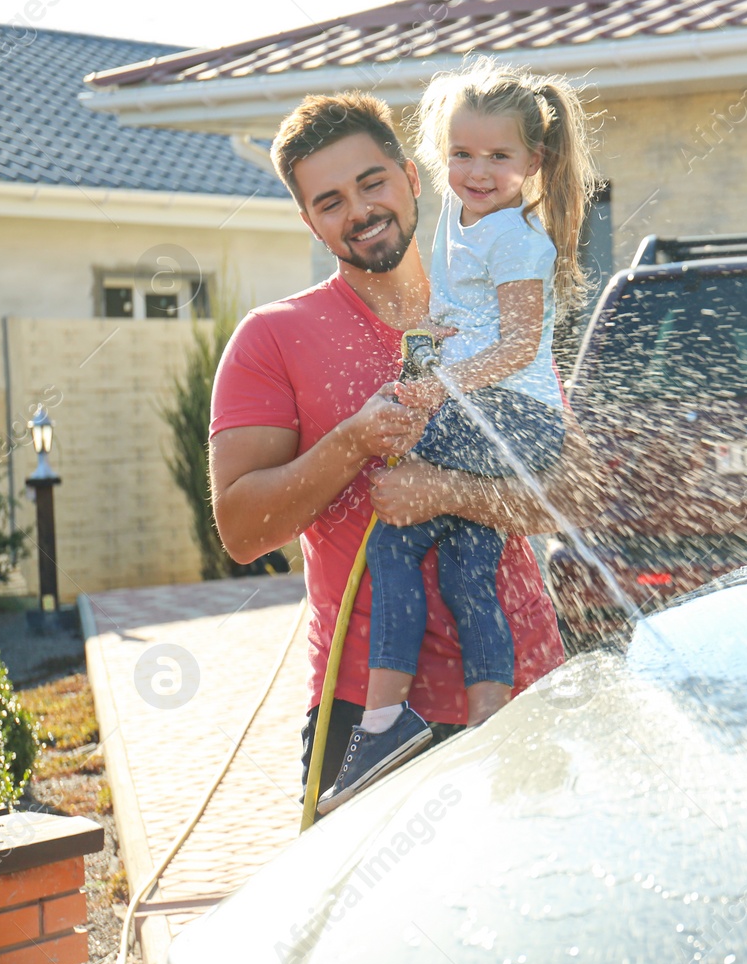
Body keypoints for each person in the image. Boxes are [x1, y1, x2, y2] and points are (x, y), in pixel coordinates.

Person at [208, 90, 600, 803]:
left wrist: (449, 493)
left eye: (371, 183)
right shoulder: (272, 340)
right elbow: (241, 529)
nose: (358, 211)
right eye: (330, 202)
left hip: (517, 685)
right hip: (372, 713)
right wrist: (353, 440)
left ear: (411, 177)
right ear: (308, 220)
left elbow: (575, 494)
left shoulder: (487, 308)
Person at [316, 61, 595, 813]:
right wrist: (434, 334)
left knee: (395, 542)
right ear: (441, 157)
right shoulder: (457, 218)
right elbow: (469, 321)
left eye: (499, 157)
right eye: (463, 154)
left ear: (533, 162)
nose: (478, 170)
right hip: (488, 411)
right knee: (472, 570)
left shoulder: (518, 241)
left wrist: (440, 382)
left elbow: (516, 346)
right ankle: (490, 721)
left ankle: (381, 723)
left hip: (512, 416)